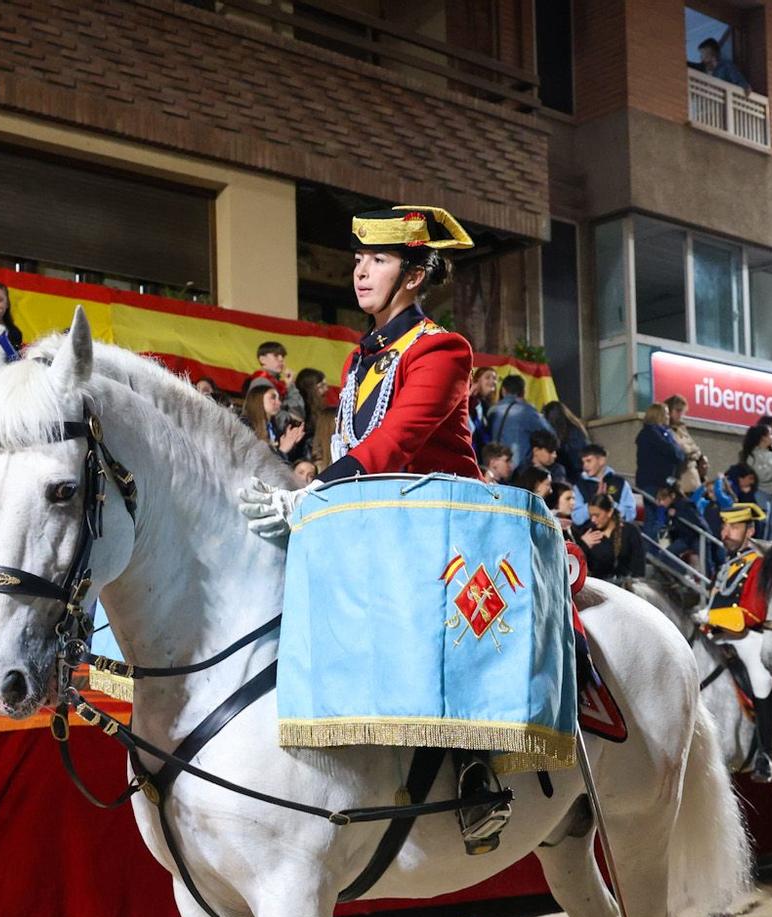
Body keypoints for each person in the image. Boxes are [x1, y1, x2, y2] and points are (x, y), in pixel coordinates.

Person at [237, 204, 505, 850]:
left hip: (438, 529)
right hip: (375, 520)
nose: (361, 271)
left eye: (379, 260)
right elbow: (351, 447)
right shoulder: (362, 358)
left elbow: (395, 441)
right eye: (359, 259)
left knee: (425, 611)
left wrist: (315, 493)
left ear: (414, 276)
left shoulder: (442, 349)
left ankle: (477, 769)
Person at [693, 500, 772, 781]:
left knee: (762, 680)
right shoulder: (727, 565)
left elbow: (752, 612)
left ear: (750, 530)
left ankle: (765, 753)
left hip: (749, 636)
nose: (726, 532)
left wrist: (709, 616)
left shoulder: (761, 563)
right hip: (718, 636)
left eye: (735, 526)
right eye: (725, 525)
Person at [485, 374, 553, 471]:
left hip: (493, 468)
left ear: (503, 391)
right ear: (523, 392)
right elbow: (551, 434)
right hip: (519, 471)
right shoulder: (528, 411)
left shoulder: (491, 411)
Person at [578, 492, 642, 585]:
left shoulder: (630, 531)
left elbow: (638, 566)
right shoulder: (587, 531)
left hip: (625, 589)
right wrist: (583, 544)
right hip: (598, 588)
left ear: (610, 512)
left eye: (597, 515)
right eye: (591, 515)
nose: (593, 520)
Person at [577, 441, 636, 521]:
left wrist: (609, 503)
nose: (585, 466)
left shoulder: (620, 483)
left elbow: (630, 514)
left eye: (589, 461)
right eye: (583, 462)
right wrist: (594, 503)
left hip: (616, 531)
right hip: (590, 531)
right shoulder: (579, 485)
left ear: (601, 460)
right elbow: (576, 518)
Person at [245, 340, 305, 419]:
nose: (281, 359)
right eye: (276, 355)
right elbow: (273, 416)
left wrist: (290, 386)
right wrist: (291, 418)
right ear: (262, 359)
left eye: (282, 356)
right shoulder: (261, 382)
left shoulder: (275, 382)